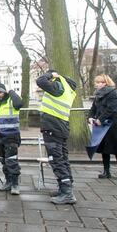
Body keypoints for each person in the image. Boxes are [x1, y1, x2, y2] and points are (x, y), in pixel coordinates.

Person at [36, 69, 78, 205]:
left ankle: (67, 193)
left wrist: (51, 75)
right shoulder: (69, 89)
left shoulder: (58, 85)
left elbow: (41, 80)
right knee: (63, 158)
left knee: (56, 159)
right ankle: (65, 187)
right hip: (61, 126)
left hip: (53, 127)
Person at [88, 74, 117, 180]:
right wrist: (90, 117)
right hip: (100, 124)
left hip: (112, 123)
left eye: (99, 82)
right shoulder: (98, 94)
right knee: (104, 147)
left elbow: (112, 109)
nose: (97, 84)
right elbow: (93, 108)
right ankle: (106, 171)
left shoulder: (113, 93)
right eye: (97, 82)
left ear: (105, 83)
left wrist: (100, 119)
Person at [0, 83, 23, 195]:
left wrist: (11, 91)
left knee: (11, 160)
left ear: (5, 92)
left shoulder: (11, 100)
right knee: (4, 160)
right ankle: (8, 182)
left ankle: (15, 184)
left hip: (11, 135)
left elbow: (19, 103)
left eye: (0, 92)